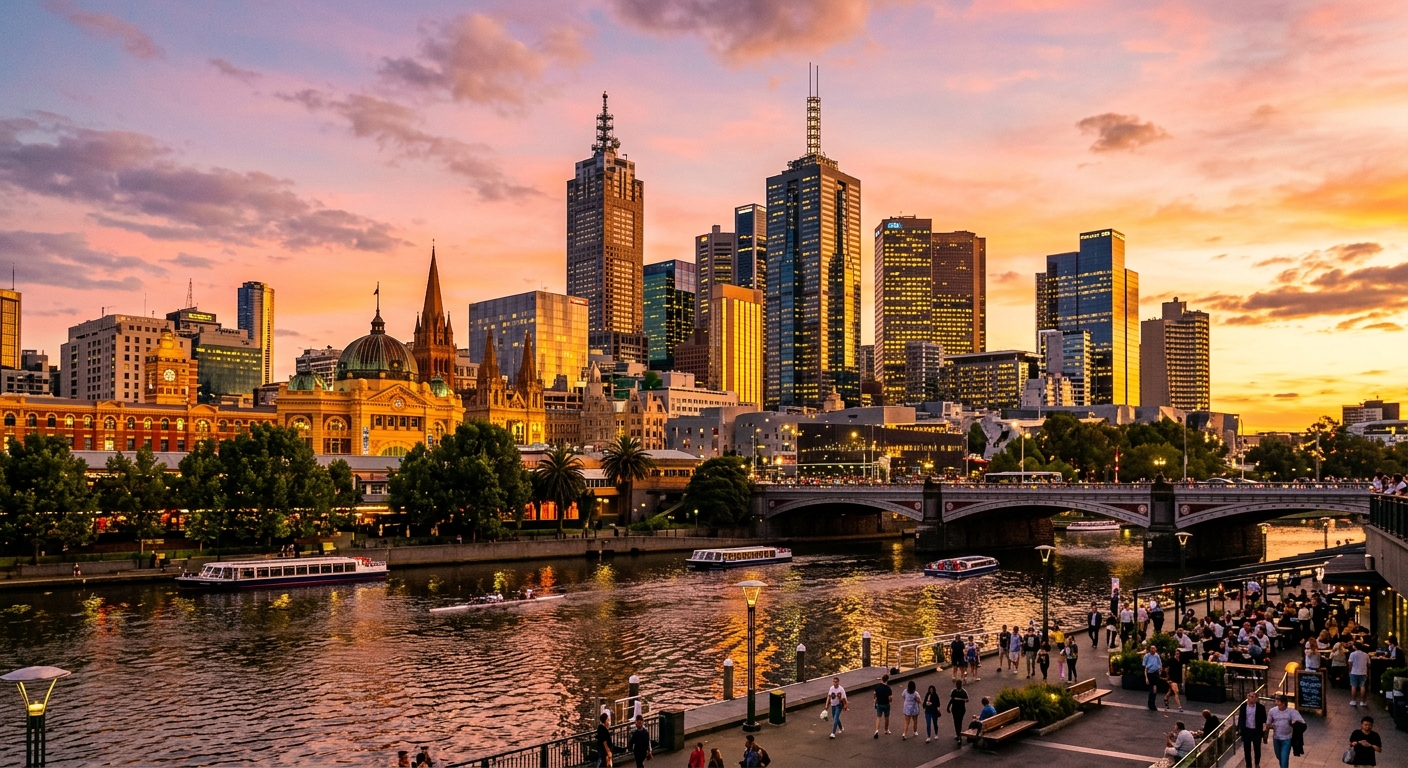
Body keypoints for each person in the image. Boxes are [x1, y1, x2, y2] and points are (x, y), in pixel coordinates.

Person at [1267, 695, 1304, 768]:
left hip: (1287, 739)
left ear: (1284, 703)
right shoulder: (1272, 711)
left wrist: (1294, 723)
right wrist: (1270, 726)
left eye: (1278, 701)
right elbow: (1268, 723)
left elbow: (1302, 723)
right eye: (1276, 701)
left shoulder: (1292, 712)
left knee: (1284, 759)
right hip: (1276, 738)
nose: (1277, 703)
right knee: (1279, 756)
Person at [1236, 691, 1267, 768]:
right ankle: (1248, 765)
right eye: (1249, 696)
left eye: (1252, 696)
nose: (1250, 698)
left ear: (1256, 698)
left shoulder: (1261, 707)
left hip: (1256, 731)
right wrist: (1239, 729)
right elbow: (1241, 718)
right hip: (1246, 731)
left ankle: (1257, 763)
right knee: (1247, 750)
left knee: (1257, 749)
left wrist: (1264, 731)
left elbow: (1264, 720)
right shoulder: (1243, 706)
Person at [946, 679, 969, 744]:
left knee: (956, 723)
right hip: (961, 709)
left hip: (955, 709)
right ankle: (959, 734)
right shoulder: (964, 692)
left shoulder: (954, 691)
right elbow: (967, 699)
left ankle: (958, 735)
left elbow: (951, 700)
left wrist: (948, 707)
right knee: (959, 722)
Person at [1349, 642, 1371, 707]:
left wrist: (1350, 669)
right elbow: (1369, 664)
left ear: (1355, 647)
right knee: (1362, 686)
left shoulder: (1352, 654)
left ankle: (1353, 701)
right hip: (1363, 672)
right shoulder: (1365, 655)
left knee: (1353, 686)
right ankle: (1362, 701)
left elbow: (1350, 663)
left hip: (1354, 672)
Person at [1143, 645, 1163, 711]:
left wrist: (1160, 672)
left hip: (1155, 673)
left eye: (1154, 648)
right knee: (1151, 690)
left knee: (1154, 690)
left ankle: (1153, 704)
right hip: (1149, 673)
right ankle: (1150, 703)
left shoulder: (1157, 656)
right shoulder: (1147, 656)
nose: (1153, 650)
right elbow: (1145, 668)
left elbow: (1160, 664)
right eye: (1151, 648)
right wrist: (1146, 678)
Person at [873, 674, 893, 738]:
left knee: (878, 717)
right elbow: (890, 698)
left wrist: (875, 699)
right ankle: (886, 729)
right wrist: (890, 701)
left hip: (879, 704)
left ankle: (876, 730)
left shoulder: (877, 687)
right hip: (886, 704)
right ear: (887, 680)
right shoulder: (888, 688)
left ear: (882, 679)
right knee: (886, 717)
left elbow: (874, 693)